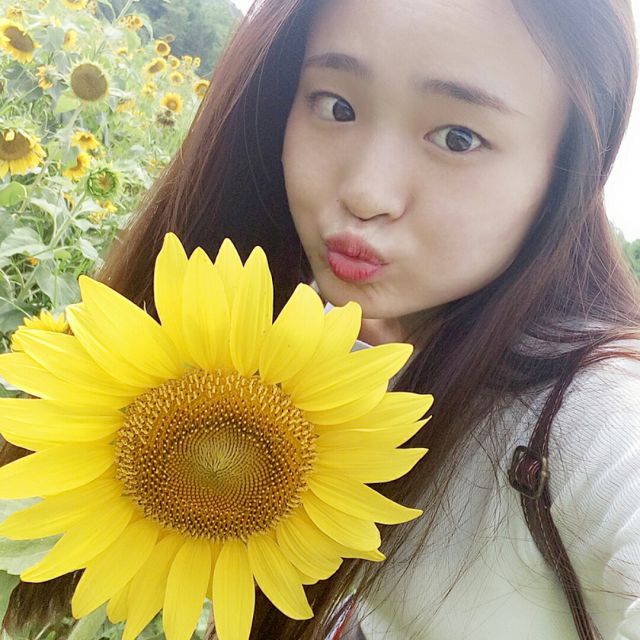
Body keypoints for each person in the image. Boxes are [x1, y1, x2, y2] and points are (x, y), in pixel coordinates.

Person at [3, 0, 640, 638]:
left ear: (569, 174)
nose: (365, 192)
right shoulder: (310, 331)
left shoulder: (592, 415)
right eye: (336, 106)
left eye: (458, 138)